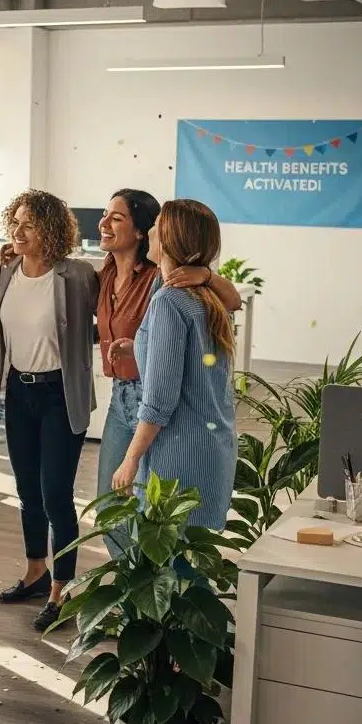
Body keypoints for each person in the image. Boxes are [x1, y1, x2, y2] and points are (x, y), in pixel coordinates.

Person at [97, 188, 242, 555]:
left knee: (166, 566)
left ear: (170, 238)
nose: (151, 230)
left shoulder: (169, 300)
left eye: (157, 225)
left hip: (177, 456)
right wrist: (139, 346)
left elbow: (159, 401)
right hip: (210, 450)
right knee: (192, 563)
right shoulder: (205, 298)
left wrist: (130, 459)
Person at [0, 190, 98, 632]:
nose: (18, 231)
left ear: (50, 229)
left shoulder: (76, 274)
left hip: (59, 394)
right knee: (27, 492)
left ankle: (61, 589)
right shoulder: (6, 271)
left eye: (29, 224)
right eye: (15, 222)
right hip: (19, 391)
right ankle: (36, 572)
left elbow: (116, 305)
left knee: (56, 494)